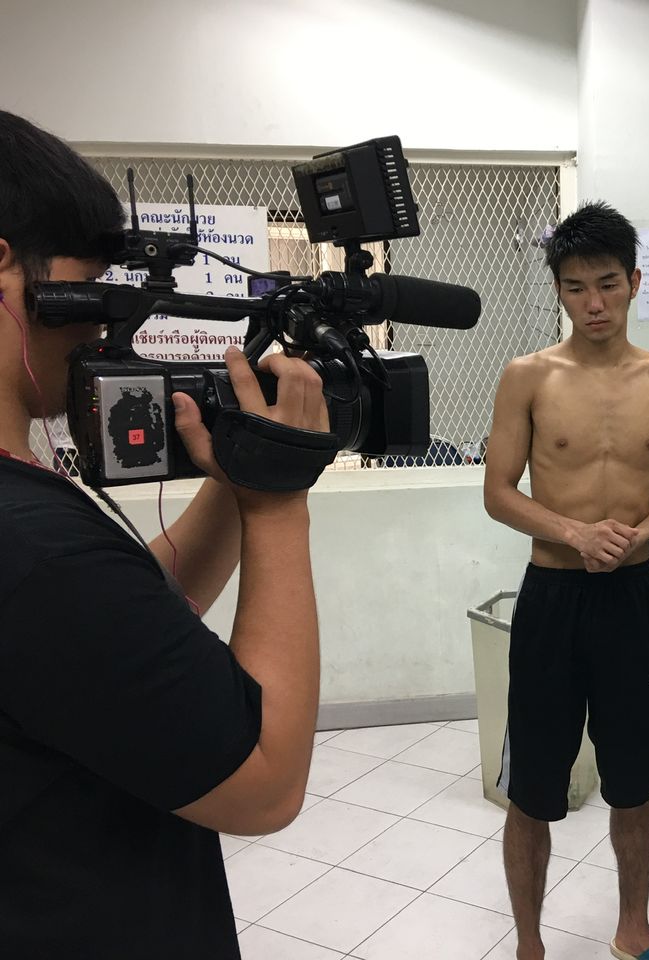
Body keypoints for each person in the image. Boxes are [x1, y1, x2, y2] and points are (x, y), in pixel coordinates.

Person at [0, 111, 329, 958]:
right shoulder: (36, 549)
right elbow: (266, 785)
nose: (102, 328)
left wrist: (239, 478)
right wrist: (278, 506)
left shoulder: (32, 534)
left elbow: (118, 628)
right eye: (92, 287)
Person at [484, 201, 649, 960]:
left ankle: (632, 928)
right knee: (532, 788)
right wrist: (574, 532)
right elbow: (499, 491)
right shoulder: (529, 377)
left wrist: (638, 534)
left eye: (608, 283)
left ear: (635, 281)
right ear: (559, 290)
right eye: (576, 288)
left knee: (635, 781)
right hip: (552, 598)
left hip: (631, 601)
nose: (595, 303)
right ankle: (530, 945)